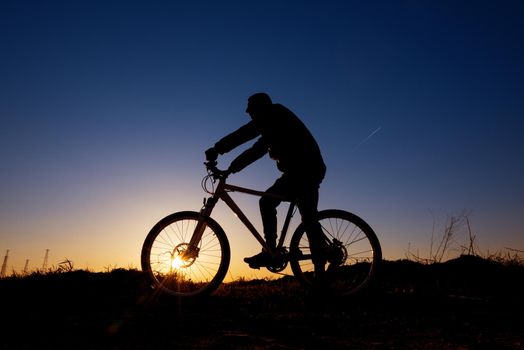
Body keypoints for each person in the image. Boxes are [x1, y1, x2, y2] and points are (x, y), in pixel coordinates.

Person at [205, 92, 327, 274]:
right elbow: (255, 148)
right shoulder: (273, 126)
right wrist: (230, 168)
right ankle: (271, 250)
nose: (248, 113)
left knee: (305, 217)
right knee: (270, 203)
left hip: (306, 170)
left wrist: (218, 150)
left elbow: (247, 135)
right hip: (297, 171)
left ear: (261, 107)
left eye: (251, 109)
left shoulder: (275, 115)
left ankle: (319, 273)